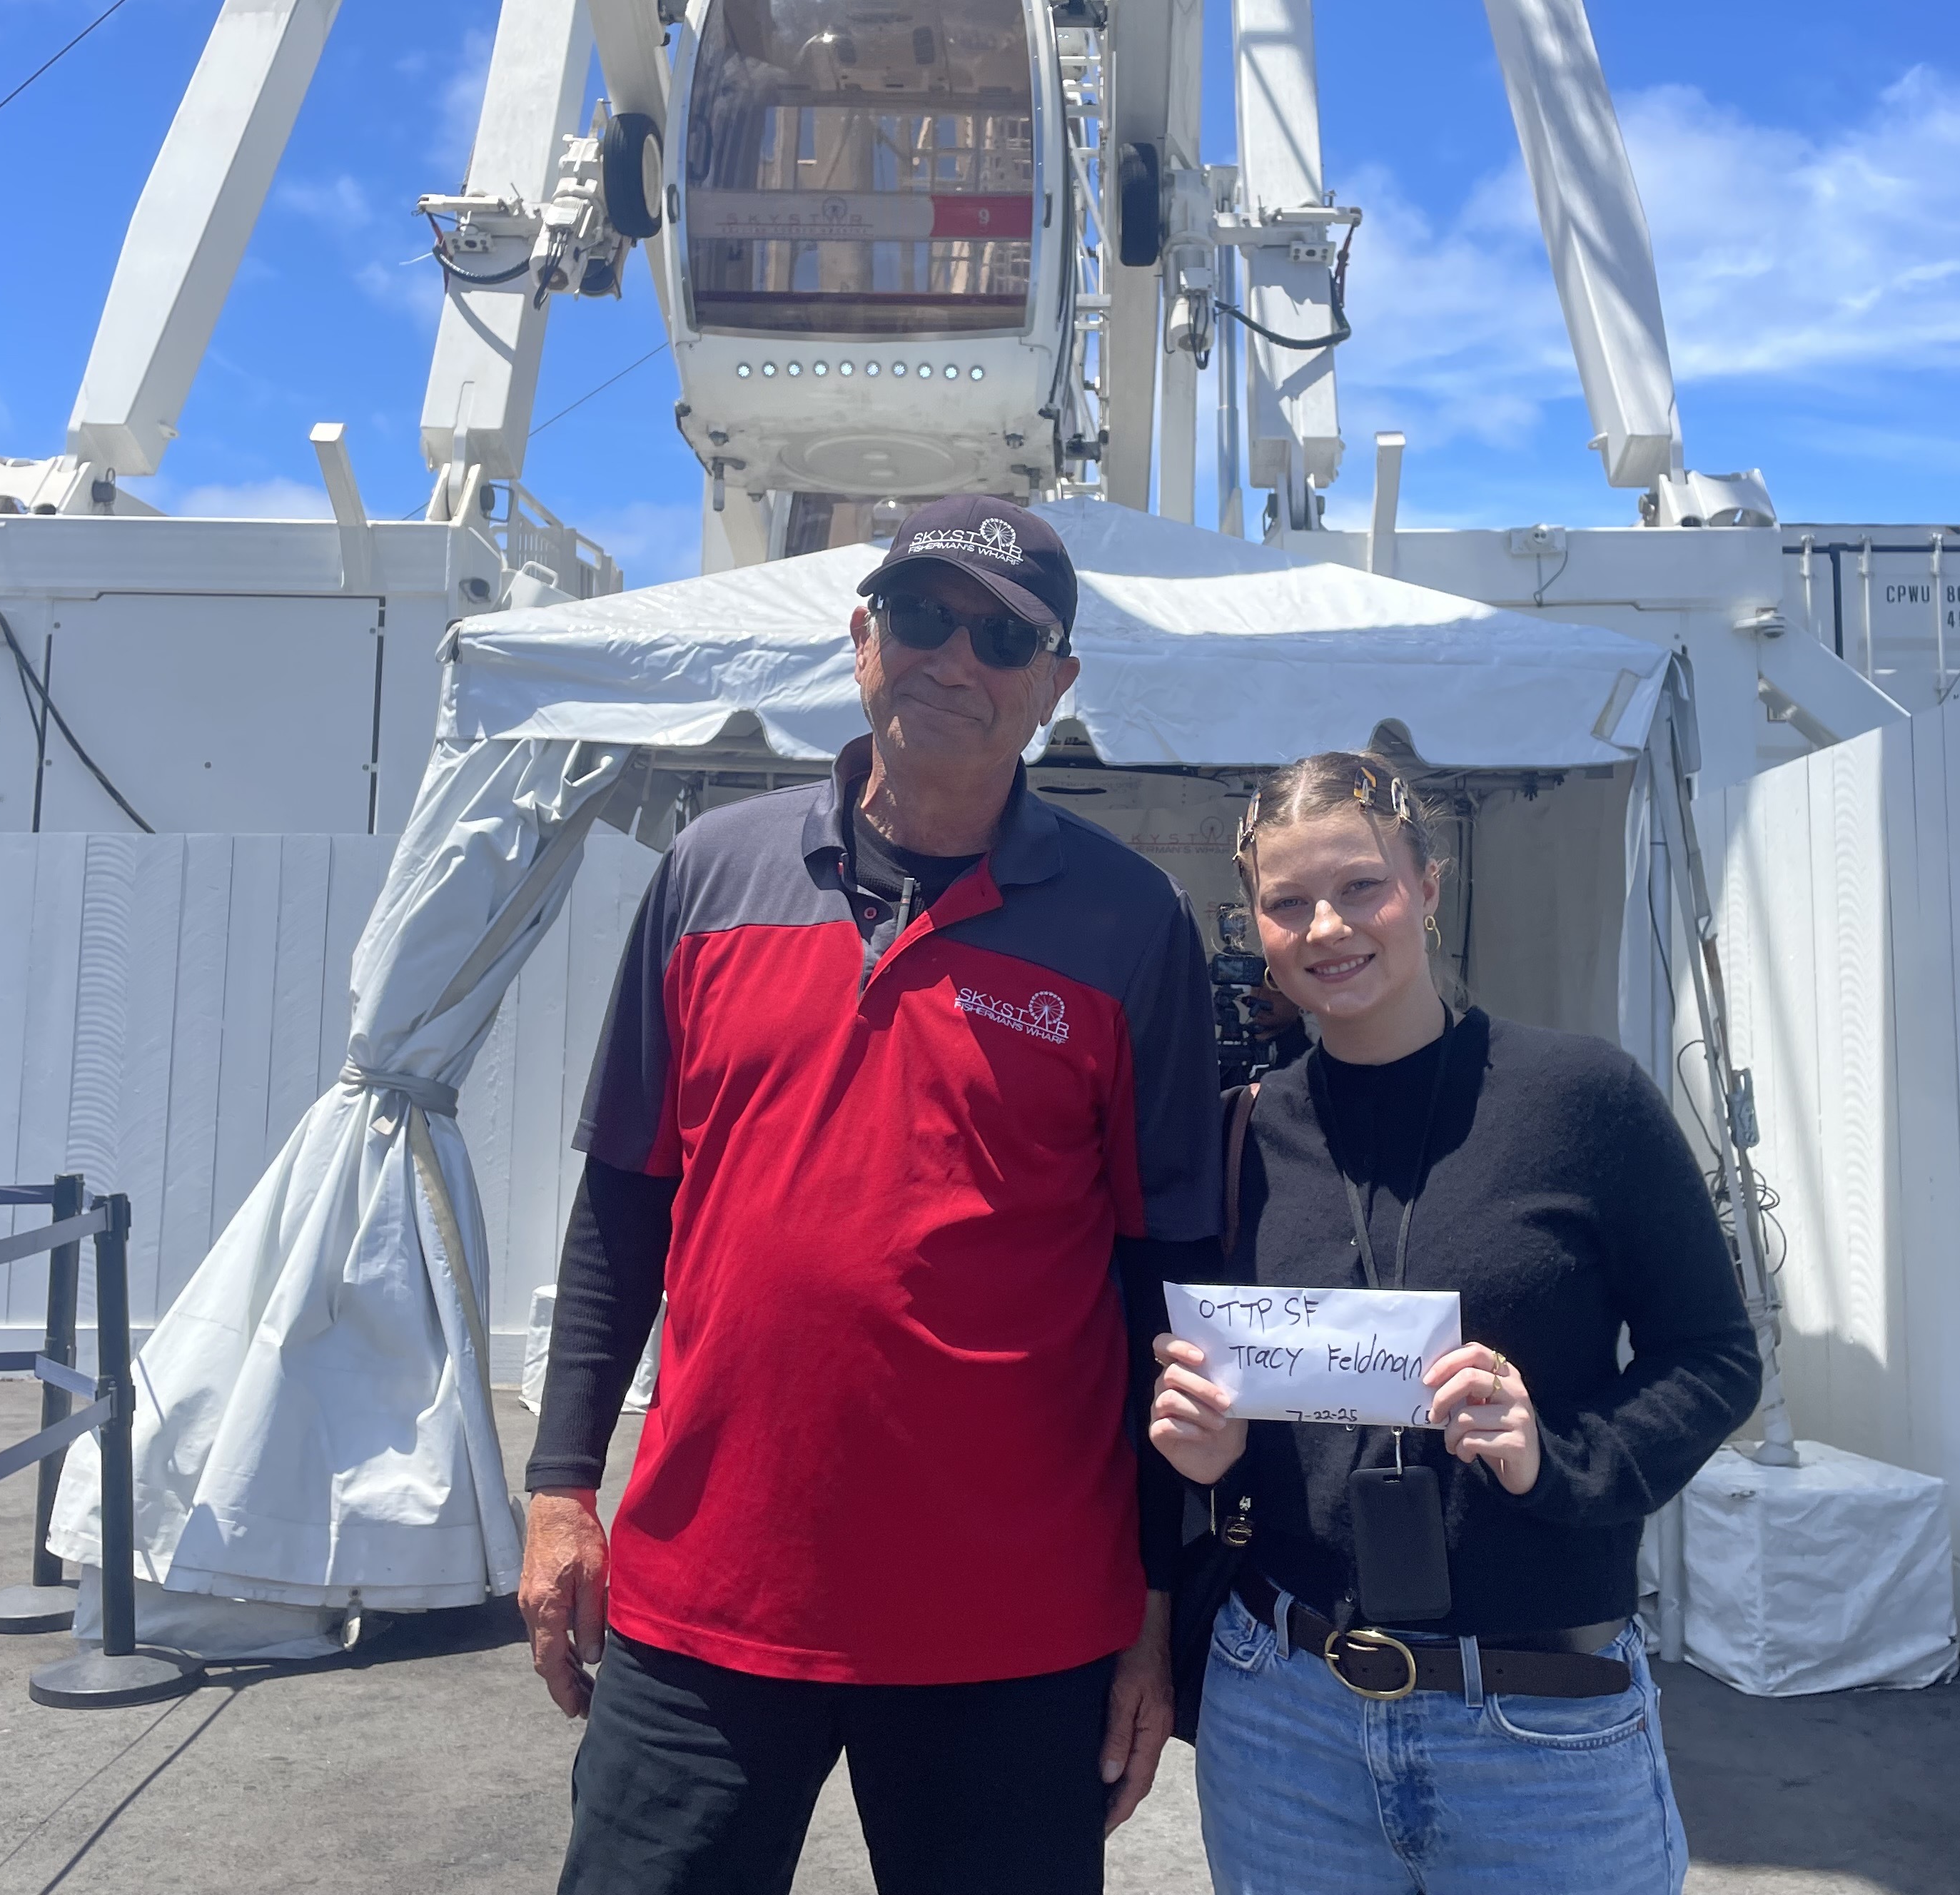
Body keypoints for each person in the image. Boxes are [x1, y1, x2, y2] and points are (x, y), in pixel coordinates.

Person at [522, 495, 1222, 1895]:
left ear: (1057, 683)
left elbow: (1165, 1282)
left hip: (1013, 1621)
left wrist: (1153, 1603)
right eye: (920, 618)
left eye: (1004, 638)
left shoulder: (1130, 922)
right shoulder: (710, 873)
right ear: (861, 640)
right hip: (711, 1592)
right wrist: (559, 1487)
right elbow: (622, 1204)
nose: (954, 659)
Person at [1150, 749, 1762, 1895]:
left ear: (1428, 887)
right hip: (1287, 1717)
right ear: (1256, 925)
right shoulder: (1241, 1138)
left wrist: (1561, 1456)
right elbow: (1213, 1388)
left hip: (1541, 1724)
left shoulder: (1583, 1101)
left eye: (1362, 886)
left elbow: (1716, 1357)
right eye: (1288, 902)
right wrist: (1208, 1454)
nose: (1328, 927)